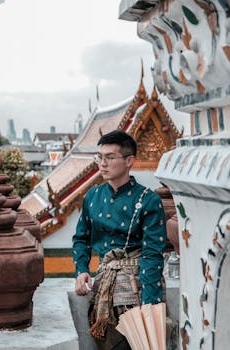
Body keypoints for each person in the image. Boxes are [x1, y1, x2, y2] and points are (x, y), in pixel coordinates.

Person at [72, 130, 167, 349]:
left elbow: (153, 254)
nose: (102, 164)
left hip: (137, 289)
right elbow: (81, 238)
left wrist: (149, 305)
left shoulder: (148, 200)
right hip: (103, 288)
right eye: (99, 157)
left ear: (129, 161)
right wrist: (82, 269)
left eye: (110, 157)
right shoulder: (93, 196)